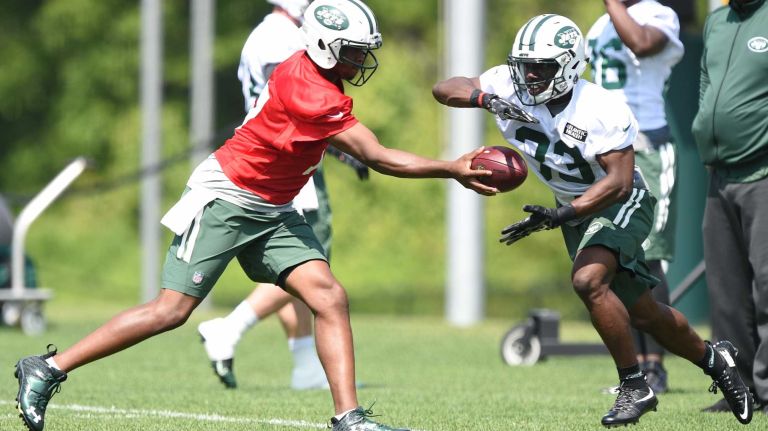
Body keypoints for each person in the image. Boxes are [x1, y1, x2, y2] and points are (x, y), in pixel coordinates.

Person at [12, 1, 497, 430]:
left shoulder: (315, 73)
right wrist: (451, 167)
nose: (361, 59)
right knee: (170, 311)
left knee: (328, 296)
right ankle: (48, 368)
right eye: (352, 50)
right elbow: (380, 156)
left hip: (274, 207)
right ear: (325, 48)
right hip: (228, 199)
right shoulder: (313, 91)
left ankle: (349, 420)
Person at [432, 13, 753, 427]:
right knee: (645, 313)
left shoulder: (598, 108)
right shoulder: (506, 84)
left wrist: (561, 214)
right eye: (523, 66)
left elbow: (619, 183)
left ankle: (634, 385)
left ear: (567, 66)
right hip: (573, 209)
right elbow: (444, 88)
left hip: (622, 201)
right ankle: (715, 359)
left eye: (540, 68)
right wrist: (485, 98)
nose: (527, 76)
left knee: (588, 281)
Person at [197, 0, 369, 391]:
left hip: (279, 151)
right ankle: (229, 327)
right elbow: (303, 102)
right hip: (284, 155)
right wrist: (346, 150)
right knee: (308, 259)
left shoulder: (266, 32)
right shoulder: (281, 37)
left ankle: (305, 362)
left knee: (302, 268)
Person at [585, 0, 684, 394]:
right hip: (607, 148)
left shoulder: (658, 14)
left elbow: (642, 44)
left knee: (649, 253)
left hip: (647, 144)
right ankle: (635, 370)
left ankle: (656, 364)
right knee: (619, 254)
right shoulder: (597, 26)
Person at [691, 0, 768, 415]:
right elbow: (707, 82)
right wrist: (706, 124)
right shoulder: (717, 20)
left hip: (763, 172)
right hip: (718, 174)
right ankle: (739, 387)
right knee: (726, 290)